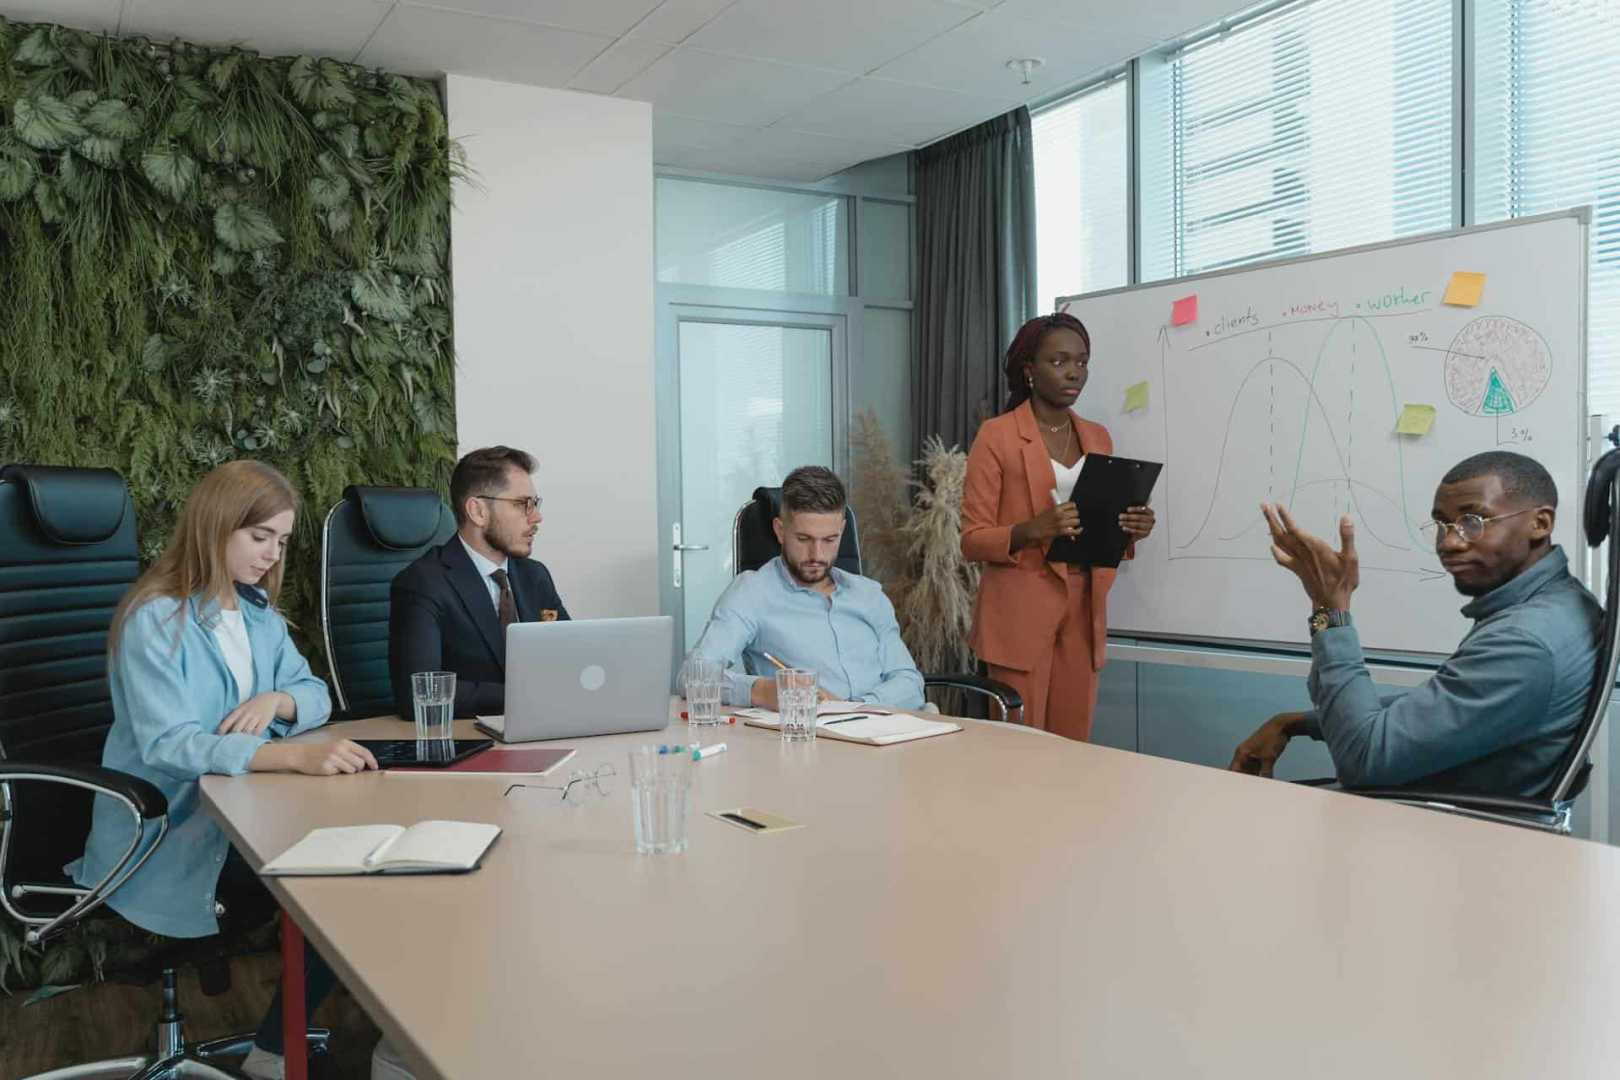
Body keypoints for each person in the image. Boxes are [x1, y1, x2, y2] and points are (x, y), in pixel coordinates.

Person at [67, 460, 379, 1080]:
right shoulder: (154, 618)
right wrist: (289, 752)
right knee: (338, 888)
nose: (271, 553)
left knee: (365, 867)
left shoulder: (257, 614)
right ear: (216, 527)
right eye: (259, 536)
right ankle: (276, 1053)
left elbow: (314, 691)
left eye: (282, 541)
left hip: (247, 810)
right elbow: (169, 742)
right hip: (169, 834)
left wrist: (279, 701)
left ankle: (280, 1046)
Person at [1229, 451, 1600, 795]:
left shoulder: (1527, 640)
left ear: (1540, 522)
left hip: (1442, 832)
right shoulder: (1561, 604)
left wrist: (1330, 610)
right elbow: (1446, 705)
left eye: (1473, 522)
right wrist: (1298, 722)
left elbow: (1363, 759)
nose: (1449, 543)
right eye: (1442, 524)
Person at [960, 313, 1155, 740]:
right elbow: (972, 540)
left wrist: (1131, 527)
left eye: (1082, 362)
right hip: (1018, 614)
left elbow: (1102, 526)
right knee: (1020, 752)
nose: (1074, 373)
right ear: (1029, 371)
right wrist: (1034, 529)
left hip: (1085, 609)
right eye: (1060, 361)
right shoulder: (997, 436)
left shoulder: (1098, 437)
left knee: (1074, 750)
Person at [690, 465, 924, 710]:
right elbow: (693, 677)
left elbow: (910, 683)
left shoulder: (869, 594)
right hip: (810, 737)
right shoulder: (752, 593)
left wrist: (854, 708)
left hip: (886, 730)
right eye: (804, 539)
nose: (817, 555)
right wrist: (761, 691)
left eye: (830, 540)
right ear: (780, 531)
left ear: (842, 531)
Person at [389, 446, 569, 720]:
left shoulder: (534, 576)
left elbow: (571, 658)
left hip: (542, 727)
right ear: (478, 511)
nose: (536, 517)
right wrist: (528, 695)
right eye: (522, 504)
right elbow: (420, 693)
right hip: (469, 741)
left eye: (535, 504)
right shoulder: (422, 583)